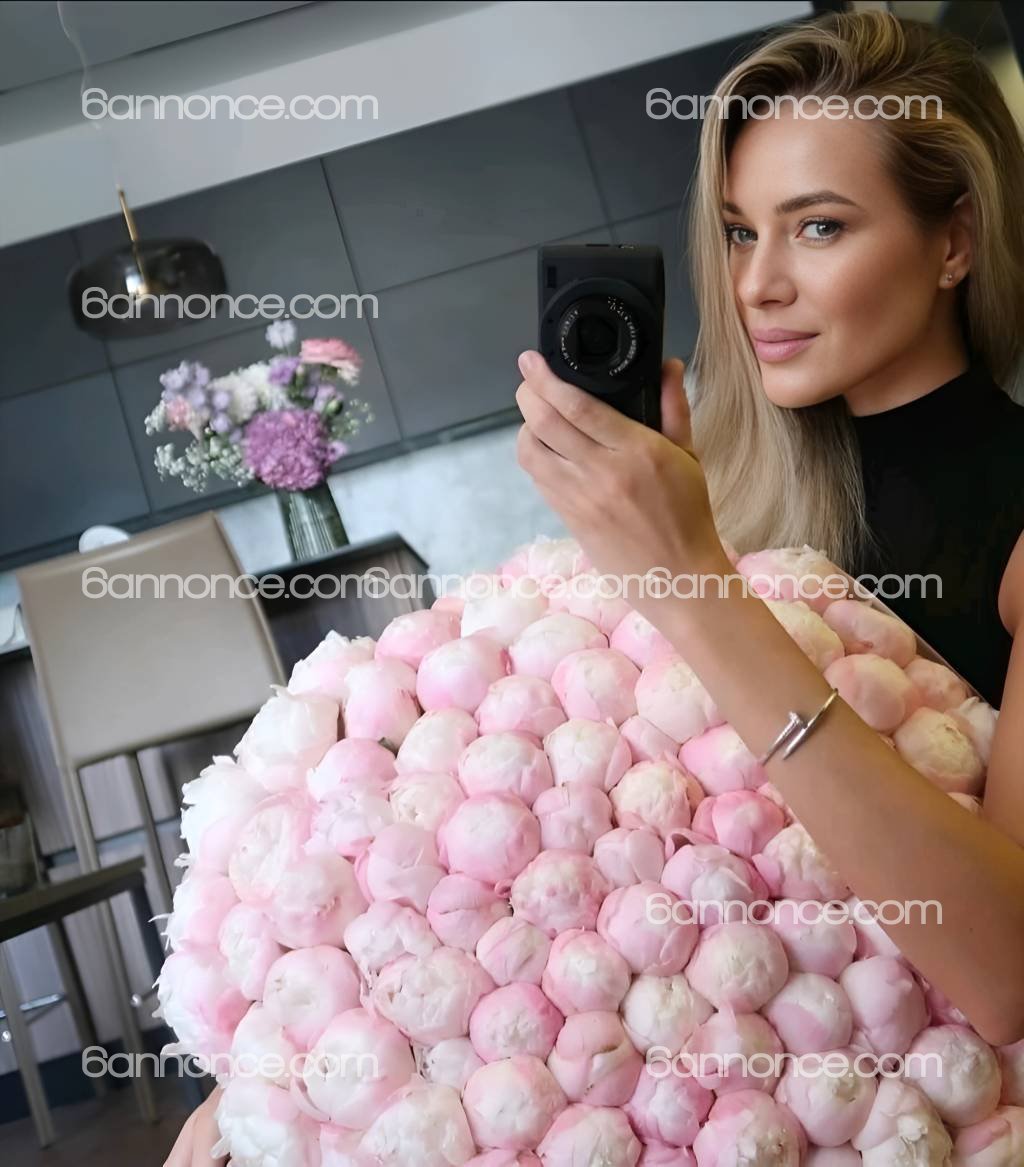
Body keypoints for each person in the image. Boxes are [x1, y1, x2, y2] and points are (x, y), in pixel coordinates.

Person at [164, 9, 1024, 1163]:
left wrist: (690, 580)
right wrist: (272, 1078)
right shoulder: (725, 486)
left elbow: (1005, 969)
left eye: (818, 227)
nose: (757, 283)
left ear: (953, 241)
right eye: (737, 232)